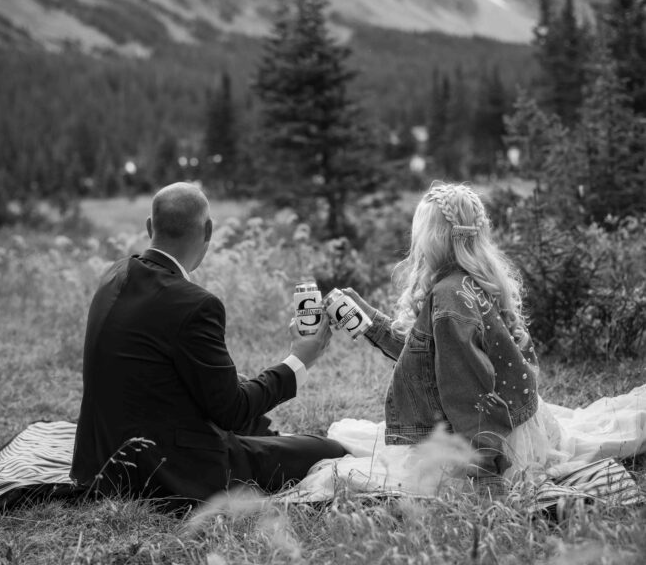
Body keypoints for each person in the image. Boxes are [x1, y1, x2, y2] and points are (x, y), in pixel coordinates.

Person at [292, 181, 646, 500]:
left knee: (355, 460)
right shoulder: (471, 281)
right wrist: (371, 324)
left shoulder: (448, 300)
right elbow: (429, 357)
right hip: (515, 425)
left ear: (433, 238)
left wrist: (484, 468)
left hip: (485, 443)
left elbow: (467, 387)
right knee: (356, 439)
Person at [71, 182, 347, 509]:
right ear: (209, 230)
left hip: (101, 461)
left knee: (257, 419)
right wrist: (299, 360)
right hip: (165, 471)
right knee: (331, 452)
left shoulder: (115, 273)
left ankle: (266, 441)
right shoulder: (194, 304)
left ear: (150, 226)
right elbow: (231, 410)